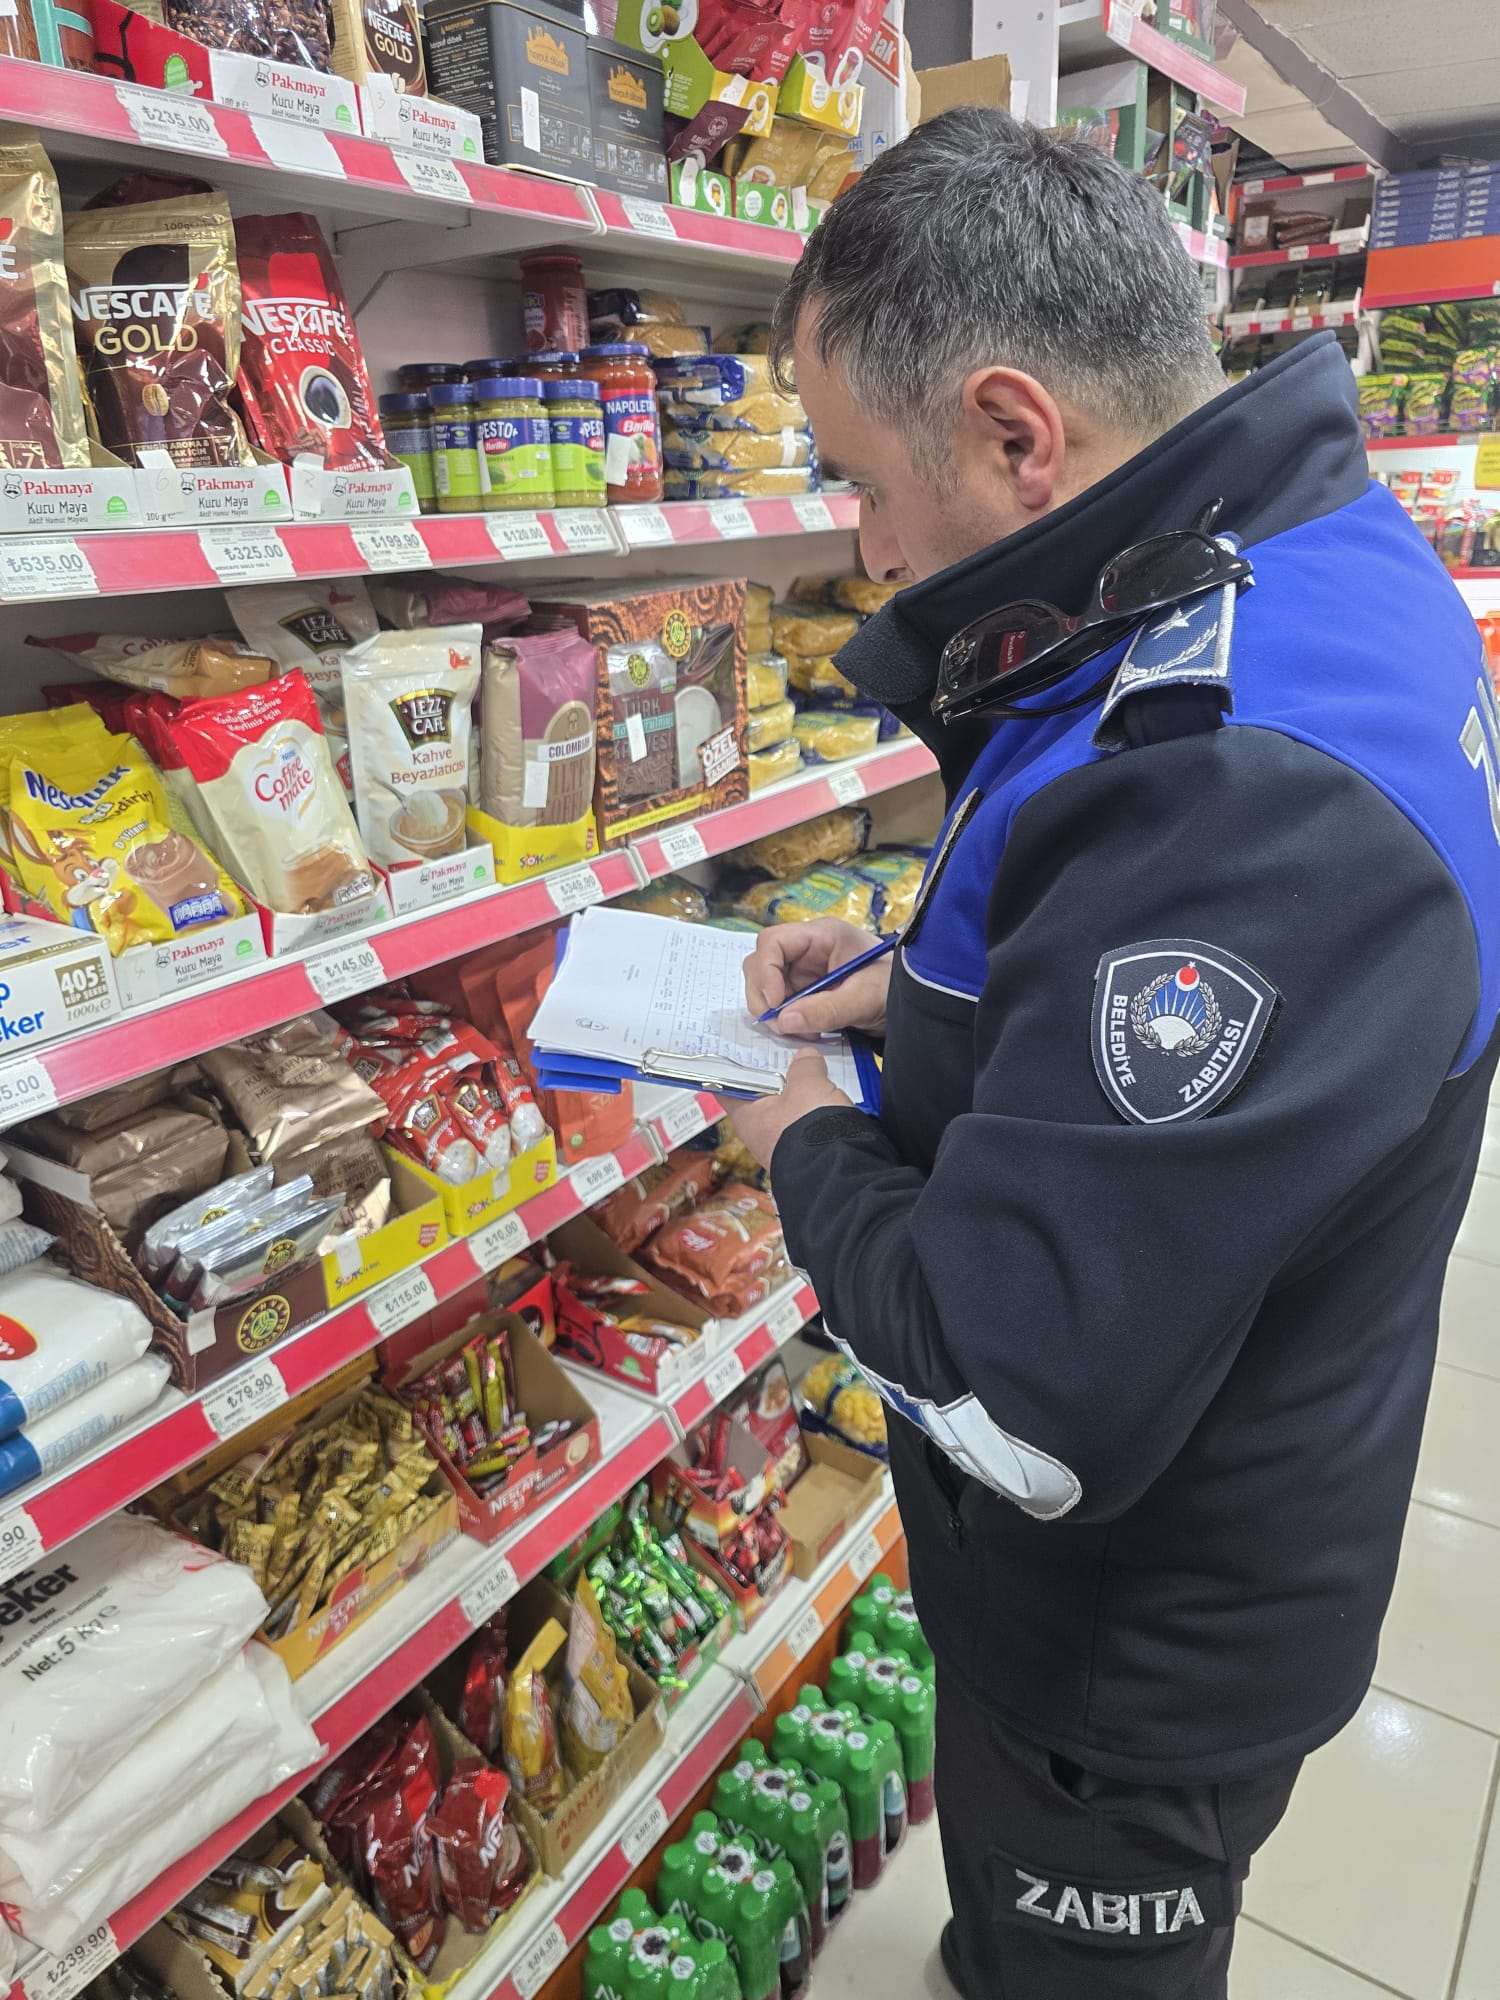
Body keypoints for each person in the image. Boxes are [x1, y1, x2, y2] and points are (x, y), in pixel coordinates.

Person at [729, 107, 1500, 2000]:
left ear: (1014, 431)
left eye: (856, 477)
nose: (860, 541)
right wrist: (928, 991)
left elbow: (1030, 1405)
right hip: (1235, 1509)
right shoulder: (1302, 557)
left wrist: (798, 1145)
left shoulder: (1238, 792)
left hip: (1134, 1654)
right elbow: (1200, 1023)